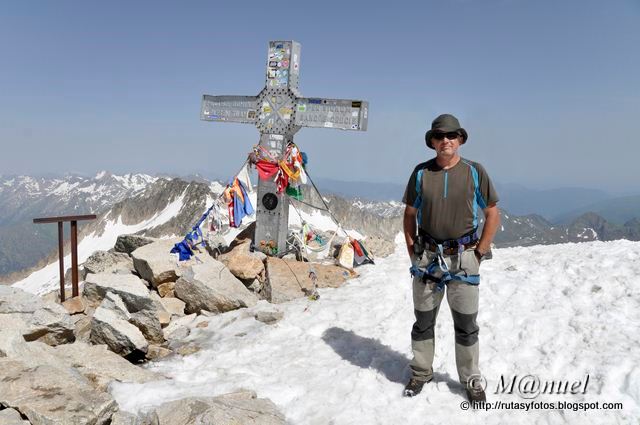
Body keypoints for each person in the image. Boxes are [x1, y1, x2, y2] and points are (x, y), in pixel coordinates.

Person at [401, 114, 500, 402]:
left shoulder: (474, 171)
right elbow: (409, 214)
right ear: (432, 141)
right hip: (428, 257)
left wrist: (479, 252)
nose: (446, 140)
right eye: (440, 136)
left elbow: (492, 212)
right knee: (423, 321)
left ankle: (471, 380)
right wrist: (412, 250)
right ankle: (421, 373)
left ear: (460, 140)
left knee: (467, 324)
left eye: (452, 135)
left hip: (464, 257)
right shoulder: (421, 173)